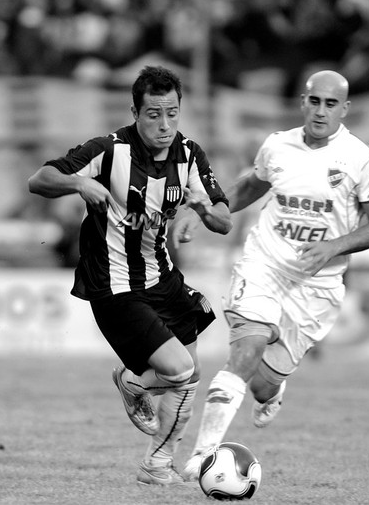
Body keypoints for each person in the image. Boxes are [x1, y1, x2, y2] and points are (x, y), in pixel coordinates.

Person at [173, 70, 369, 481]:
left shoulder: (364, 161)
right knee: (244, 351)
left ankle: (273, 390)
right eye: (315, 101)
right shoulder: (277, 145)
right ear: (303, 102)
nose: (321, 110)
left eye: (331, 104)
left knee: (262, 384)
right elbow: (251, 186)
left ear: (345, 109)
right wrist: (203, 210)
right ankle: (203, 455)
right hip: (264, 264)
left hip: (317, 284)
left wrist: (333, 246)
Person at [28, 65, 232, 485]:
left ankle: (157, 465)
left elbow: (224, 219)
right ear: (135, 112)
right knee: (176, 371)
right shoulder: (109, 149)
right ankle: (131, 380)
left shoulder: (190, 154)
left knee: (189, 379)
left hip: (164, 277)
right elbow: (39, 178)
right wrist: (77, 184)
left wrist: (201, 208)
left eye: (172, 113)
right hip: (115, 284)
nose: (165, 124)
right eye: (154, 114)